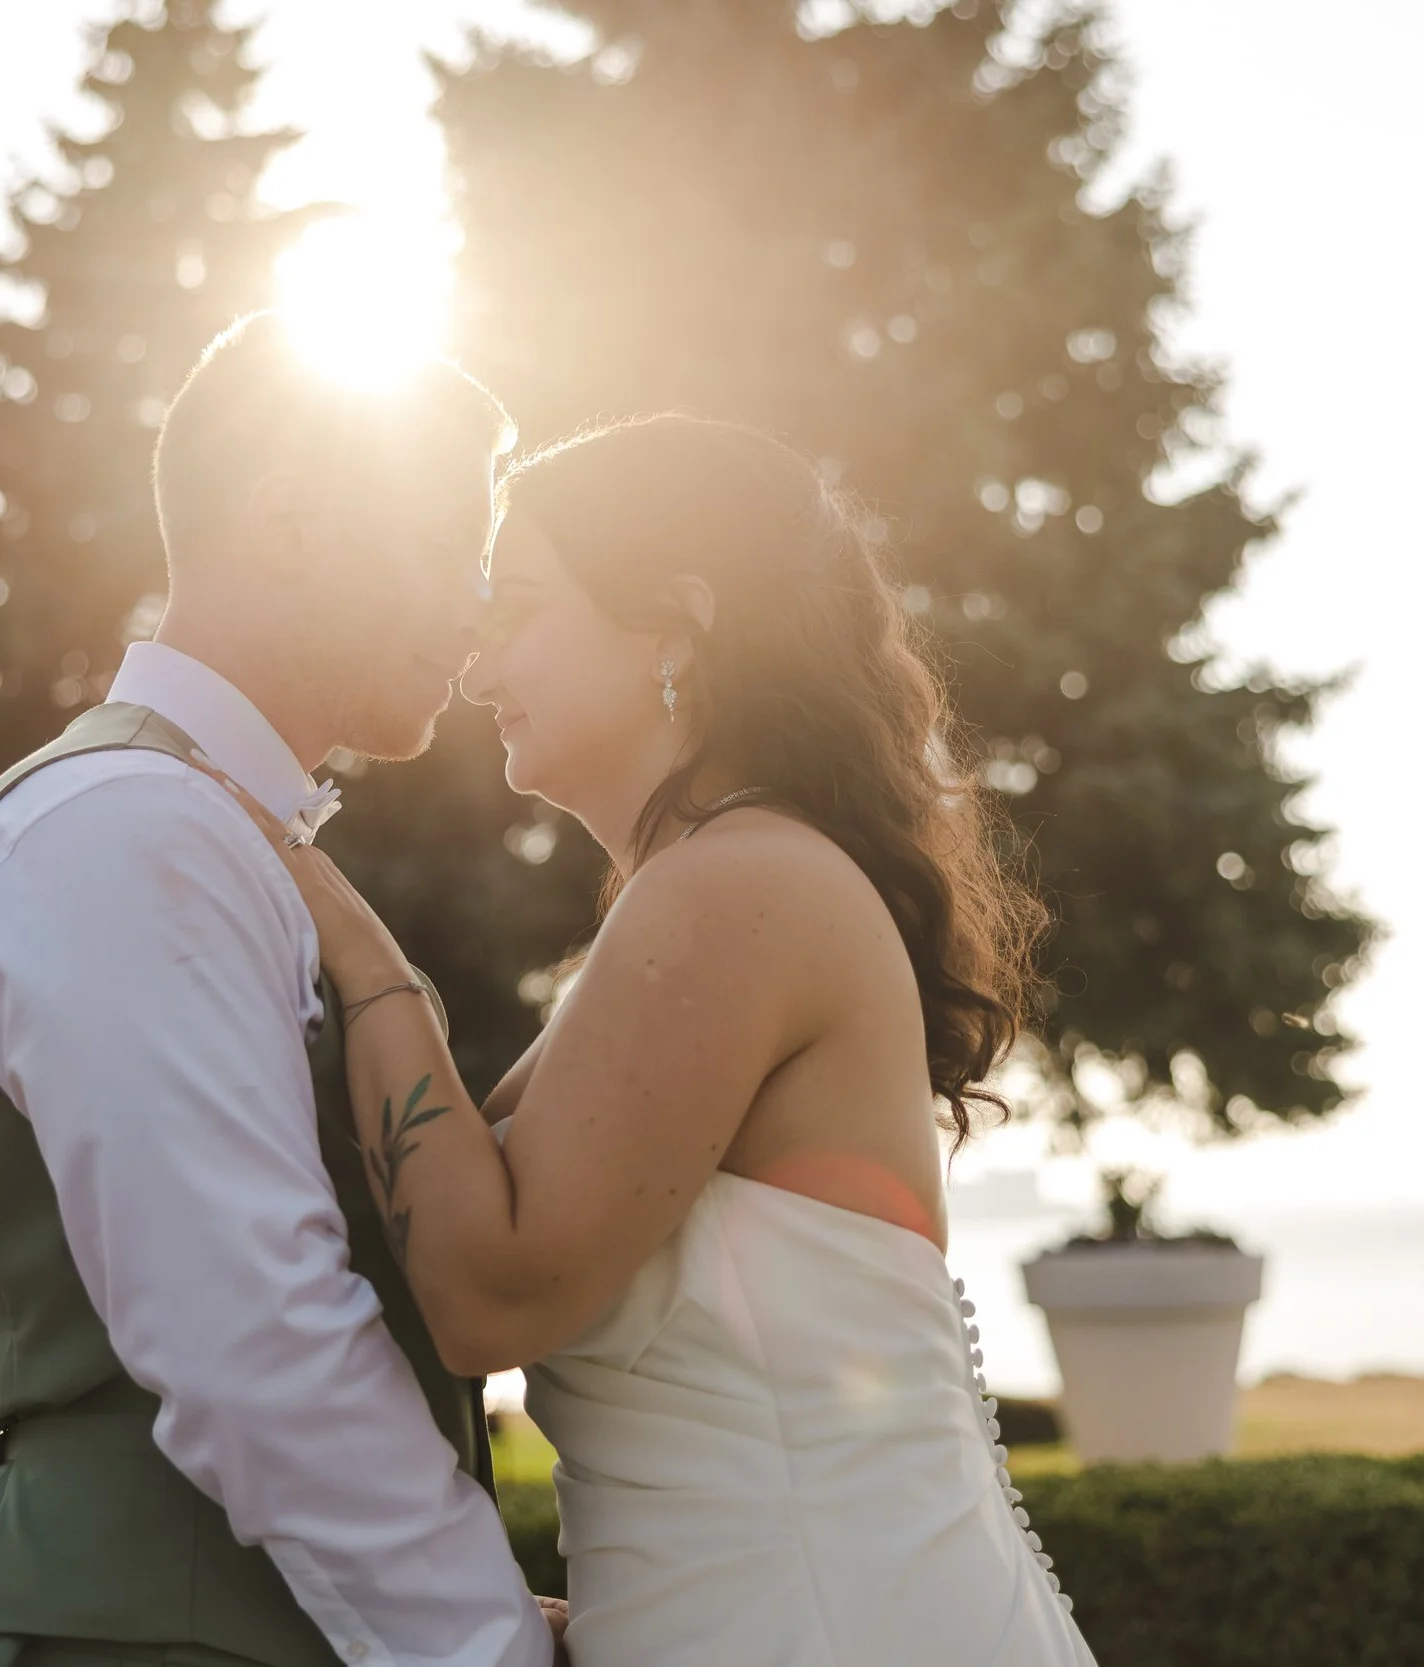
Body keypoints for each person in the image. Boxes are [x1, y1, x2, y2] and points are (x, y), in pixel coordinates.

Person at [213, 414, 1100, 1666]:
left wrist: (367, 961)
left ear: (674, 624)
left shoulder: (740, 887)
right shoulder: (705, 891)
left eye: (515, 608)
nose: (476, 669)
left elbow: (491, 1291)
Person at [0, 312, 565, 1667]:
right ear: (288, 518)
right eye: (455, 544)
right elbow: (250, 1334)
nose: (476, 603)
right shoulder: (124, 825)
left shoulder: (205, 829)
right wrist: (489, 1643)